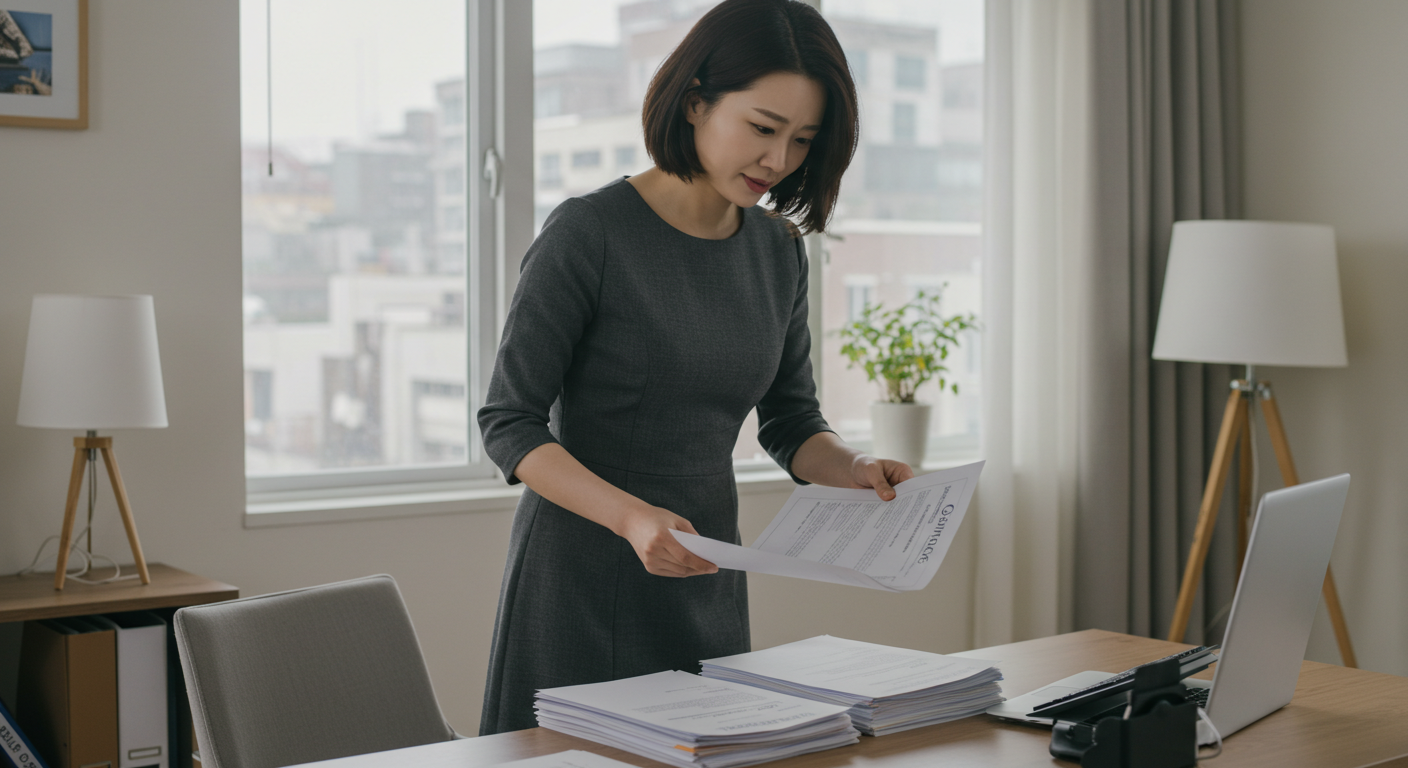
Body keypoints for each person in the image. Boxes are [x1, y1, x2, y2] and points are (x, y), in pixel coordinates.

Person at [477, 0, 913, 735]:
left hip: (704, 577)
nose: (779, 161)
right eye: (764, 128)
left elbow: (791, 420)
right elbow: (508, 423)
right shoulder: (590, 233)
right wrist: (632, 519)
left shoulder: (777, 250)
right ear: (694, 101)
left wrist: (855, 466)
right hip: (581, 577)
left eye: (803, 140)